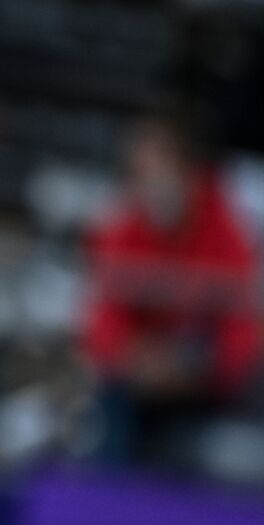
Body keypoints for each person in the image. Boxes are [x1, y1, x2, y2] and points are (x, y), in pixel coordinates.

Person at [82, 112, 261, 468]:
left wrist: (205, 371)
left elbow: (245, 328)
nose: (153, 185)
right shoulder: (121, 231)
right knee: (104, 420)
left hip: (205, 392)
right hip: (138, 389)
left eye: (160, 170)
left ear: (188, 173)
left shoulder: (226, 232)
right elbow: (101, 320)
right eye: (141, 173)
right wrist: (132, 359)